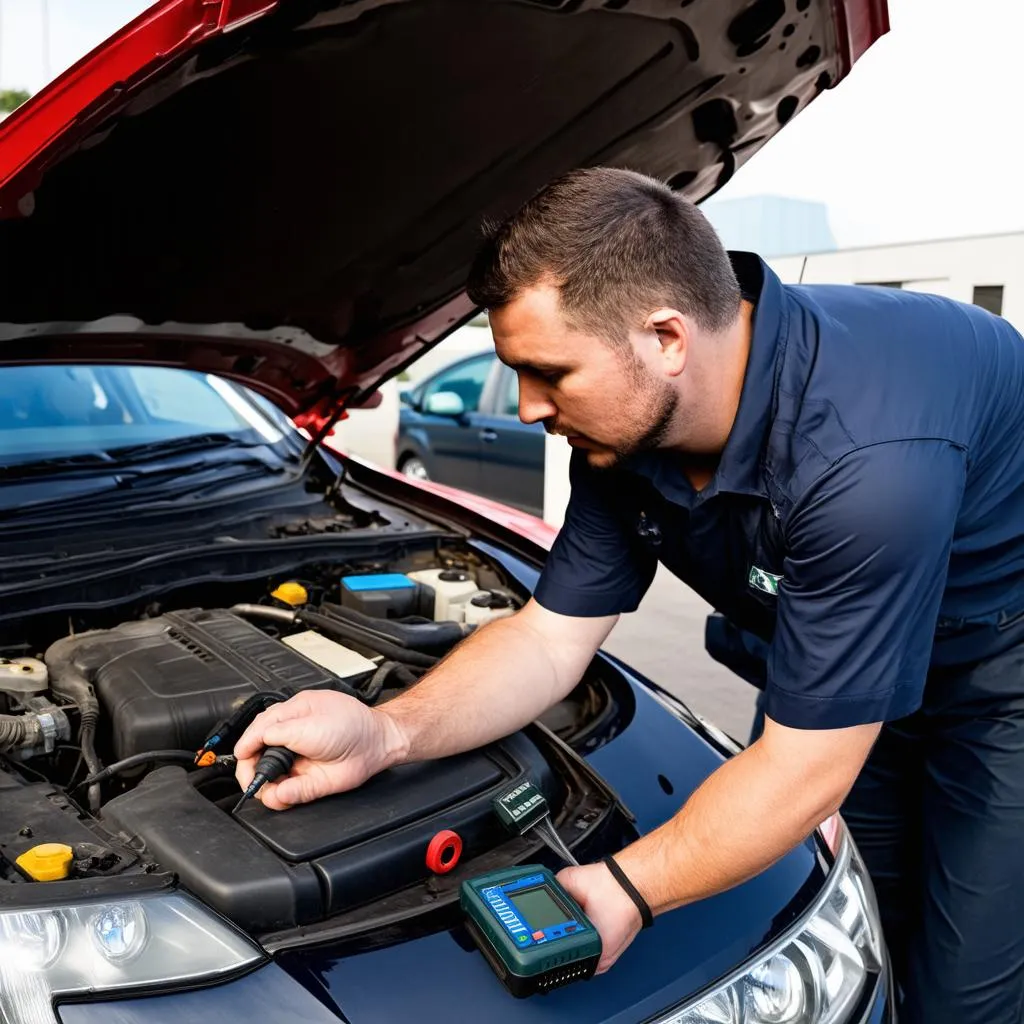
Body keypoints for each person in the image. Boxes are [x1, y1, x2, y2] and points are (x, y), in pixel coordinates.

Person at [235, 168, 1024, 1022]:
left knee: (963, 990)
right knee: (844, 909)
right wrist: (388, 733)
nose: (529, 409)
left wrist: (626, 887)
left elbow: (803, 771)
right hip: (835, 659)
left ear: (667, 338)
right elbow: (549, 640)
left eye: (549, 373)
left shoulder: (866, 459)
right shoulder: (626, 433)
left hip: (998, 674)